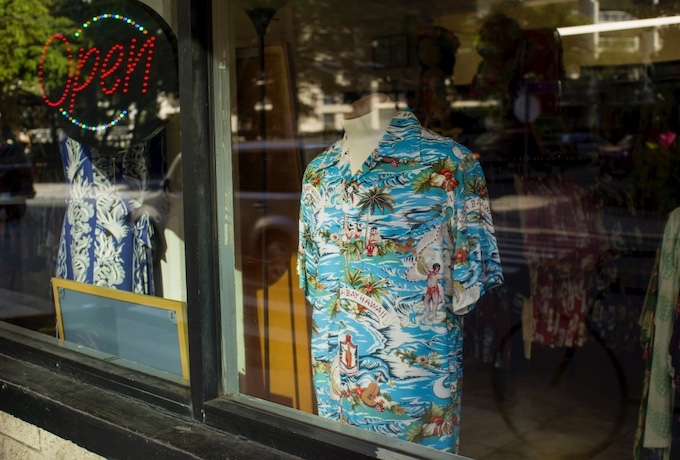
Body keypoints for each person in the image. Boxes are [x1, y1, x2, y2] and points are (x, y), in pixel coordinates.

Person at [298, 93, 503, 453]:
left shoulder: (451, 165)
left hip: (414, 388)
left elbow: (470, 283)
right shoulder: (319, 172)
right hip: (335, 383)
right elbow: (314, 283)